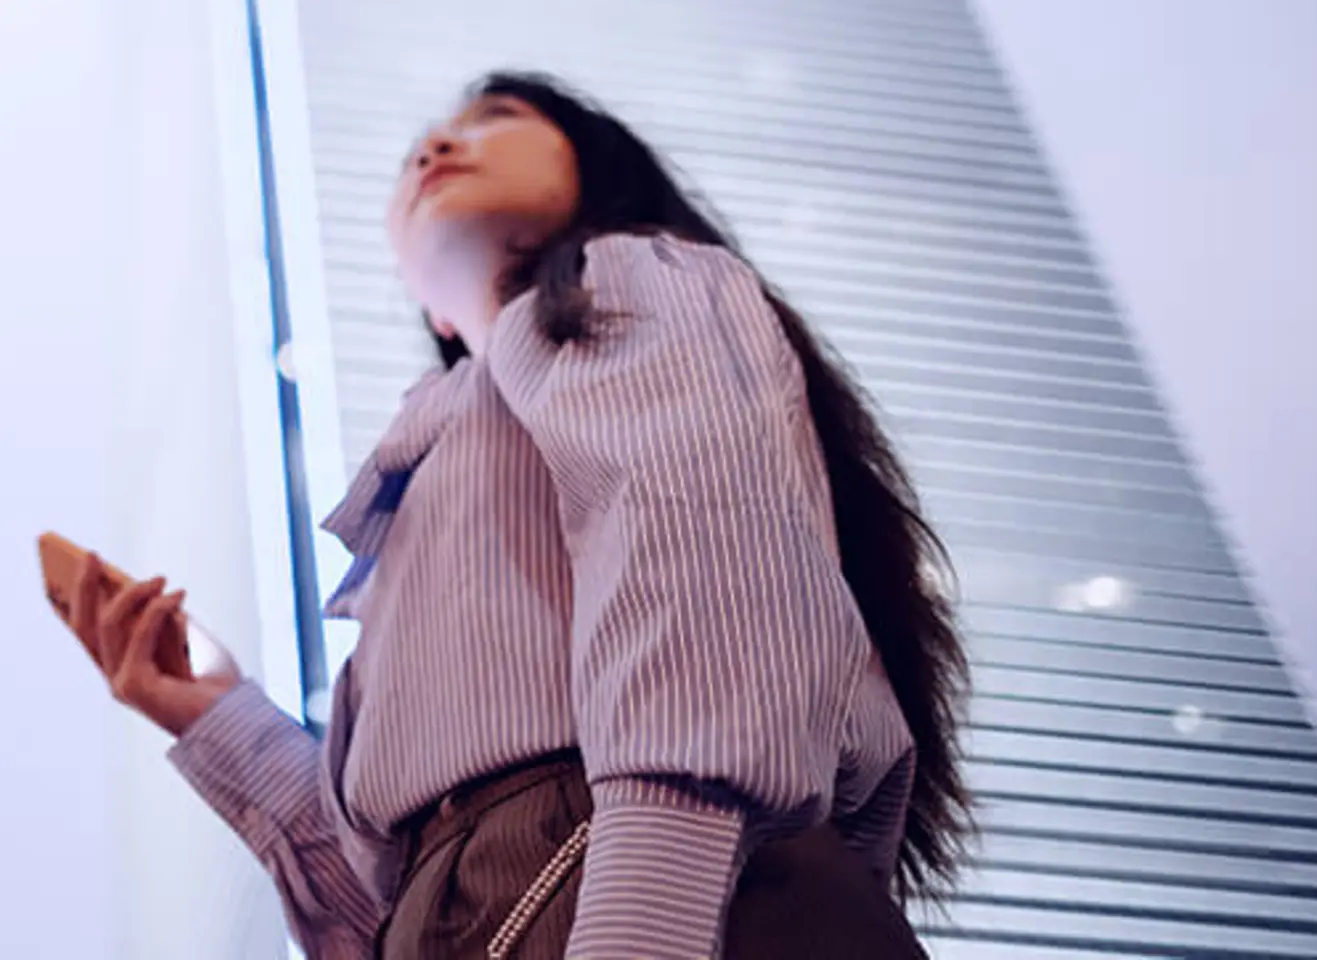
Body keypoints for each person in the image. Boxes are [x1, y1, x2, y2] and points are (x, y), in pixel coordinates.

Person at [67, 71, 971, 959]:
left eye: (496, 117)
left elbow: (706, 570)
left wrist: (641, 928)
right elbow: (394, 903)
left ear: (598, 173)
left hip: (655, 888)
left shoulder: (623, 278)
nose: (436, 144)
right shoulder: (430, 470)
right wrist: (213, 713)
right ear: (434, 313)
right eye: (423, 146)